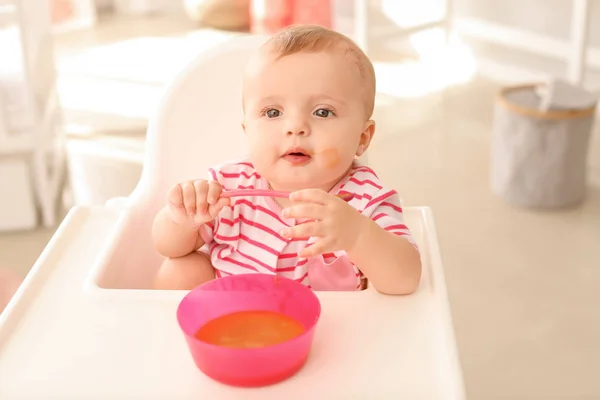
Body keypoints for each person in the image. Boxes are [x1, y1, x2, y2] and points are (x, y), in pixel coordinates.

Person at [151, 25, 421, 294]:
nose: (295, 127)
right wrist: (182, 220)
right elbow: (166, 246)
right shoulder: (228, 188)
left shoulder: (364, 198)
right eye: (272, 112)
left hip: (323, 329)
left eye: (323, 112)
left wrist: (359, 235)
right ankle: (172, 333)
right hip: (231, 320)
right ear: (247, 130)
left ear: (363, 137)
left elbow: (406, 280)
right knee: (181, 269)